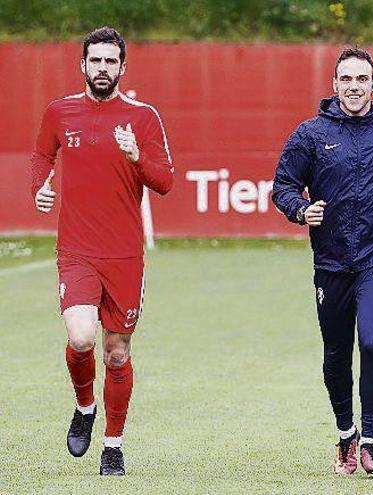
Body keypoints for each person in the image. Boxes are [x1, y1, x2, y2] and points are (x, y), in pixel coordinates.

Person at [271, 47, 373, 476]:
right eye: (347, 79)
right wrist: (300, 209)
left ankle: (372, 440)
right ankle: (346, 434)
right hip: (331, 259)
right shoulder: (310, 134)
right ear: (335, 84)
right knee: (337, 351)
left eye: (362, 79)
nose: (354, 87)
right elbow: (283, 185)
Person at [30, 26, 173, 476]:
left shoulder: (144, 118)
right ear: (83, 65)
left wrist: (136, 158)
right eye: (96, 61)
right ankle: (84, 405)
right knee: (81, 337)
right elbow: (40, 156)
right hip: (76, 250)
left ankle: (113, 444)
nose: (103, 68)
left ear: (122, 68)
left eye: (111, 62)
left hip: (125, 256)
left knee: (116, 352)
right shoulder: (59, 112)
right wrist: (40, 190)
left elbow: (165, 181)